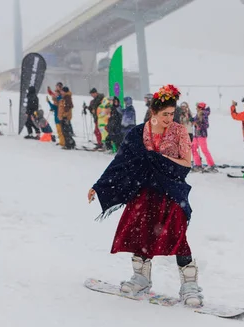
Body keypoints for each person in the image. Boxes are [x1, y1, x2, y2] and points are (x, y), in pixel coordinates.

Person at [87, 84, 203, 307]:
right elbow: (119, 162)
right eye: (165, 114)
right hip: (144, 190)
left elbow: (187, 164)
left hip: (171, 190)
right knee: (139, 232)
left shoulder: (179, 132)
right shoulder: (137, 133)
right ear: (153, 113)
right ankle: (141, 278)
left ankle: (189, 285)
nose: (170, 118)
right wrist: (99, 185)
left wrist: (158, 160)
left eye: (172, 113)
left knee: (178, 235)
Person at [192, 102, 216, 172]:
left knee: (204, 150)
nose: (196, 108)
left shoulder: (203, 114)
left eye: (197, 107)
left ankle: (211, 165)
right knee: (193, 148)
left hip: (201, 135)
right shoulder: (199, 113)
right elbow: (196, 120)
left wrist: (197, 124)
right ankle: (198, 164)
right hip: (196, 135)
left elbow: (206, 125)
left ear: (200, 108)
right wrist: (192, 120)